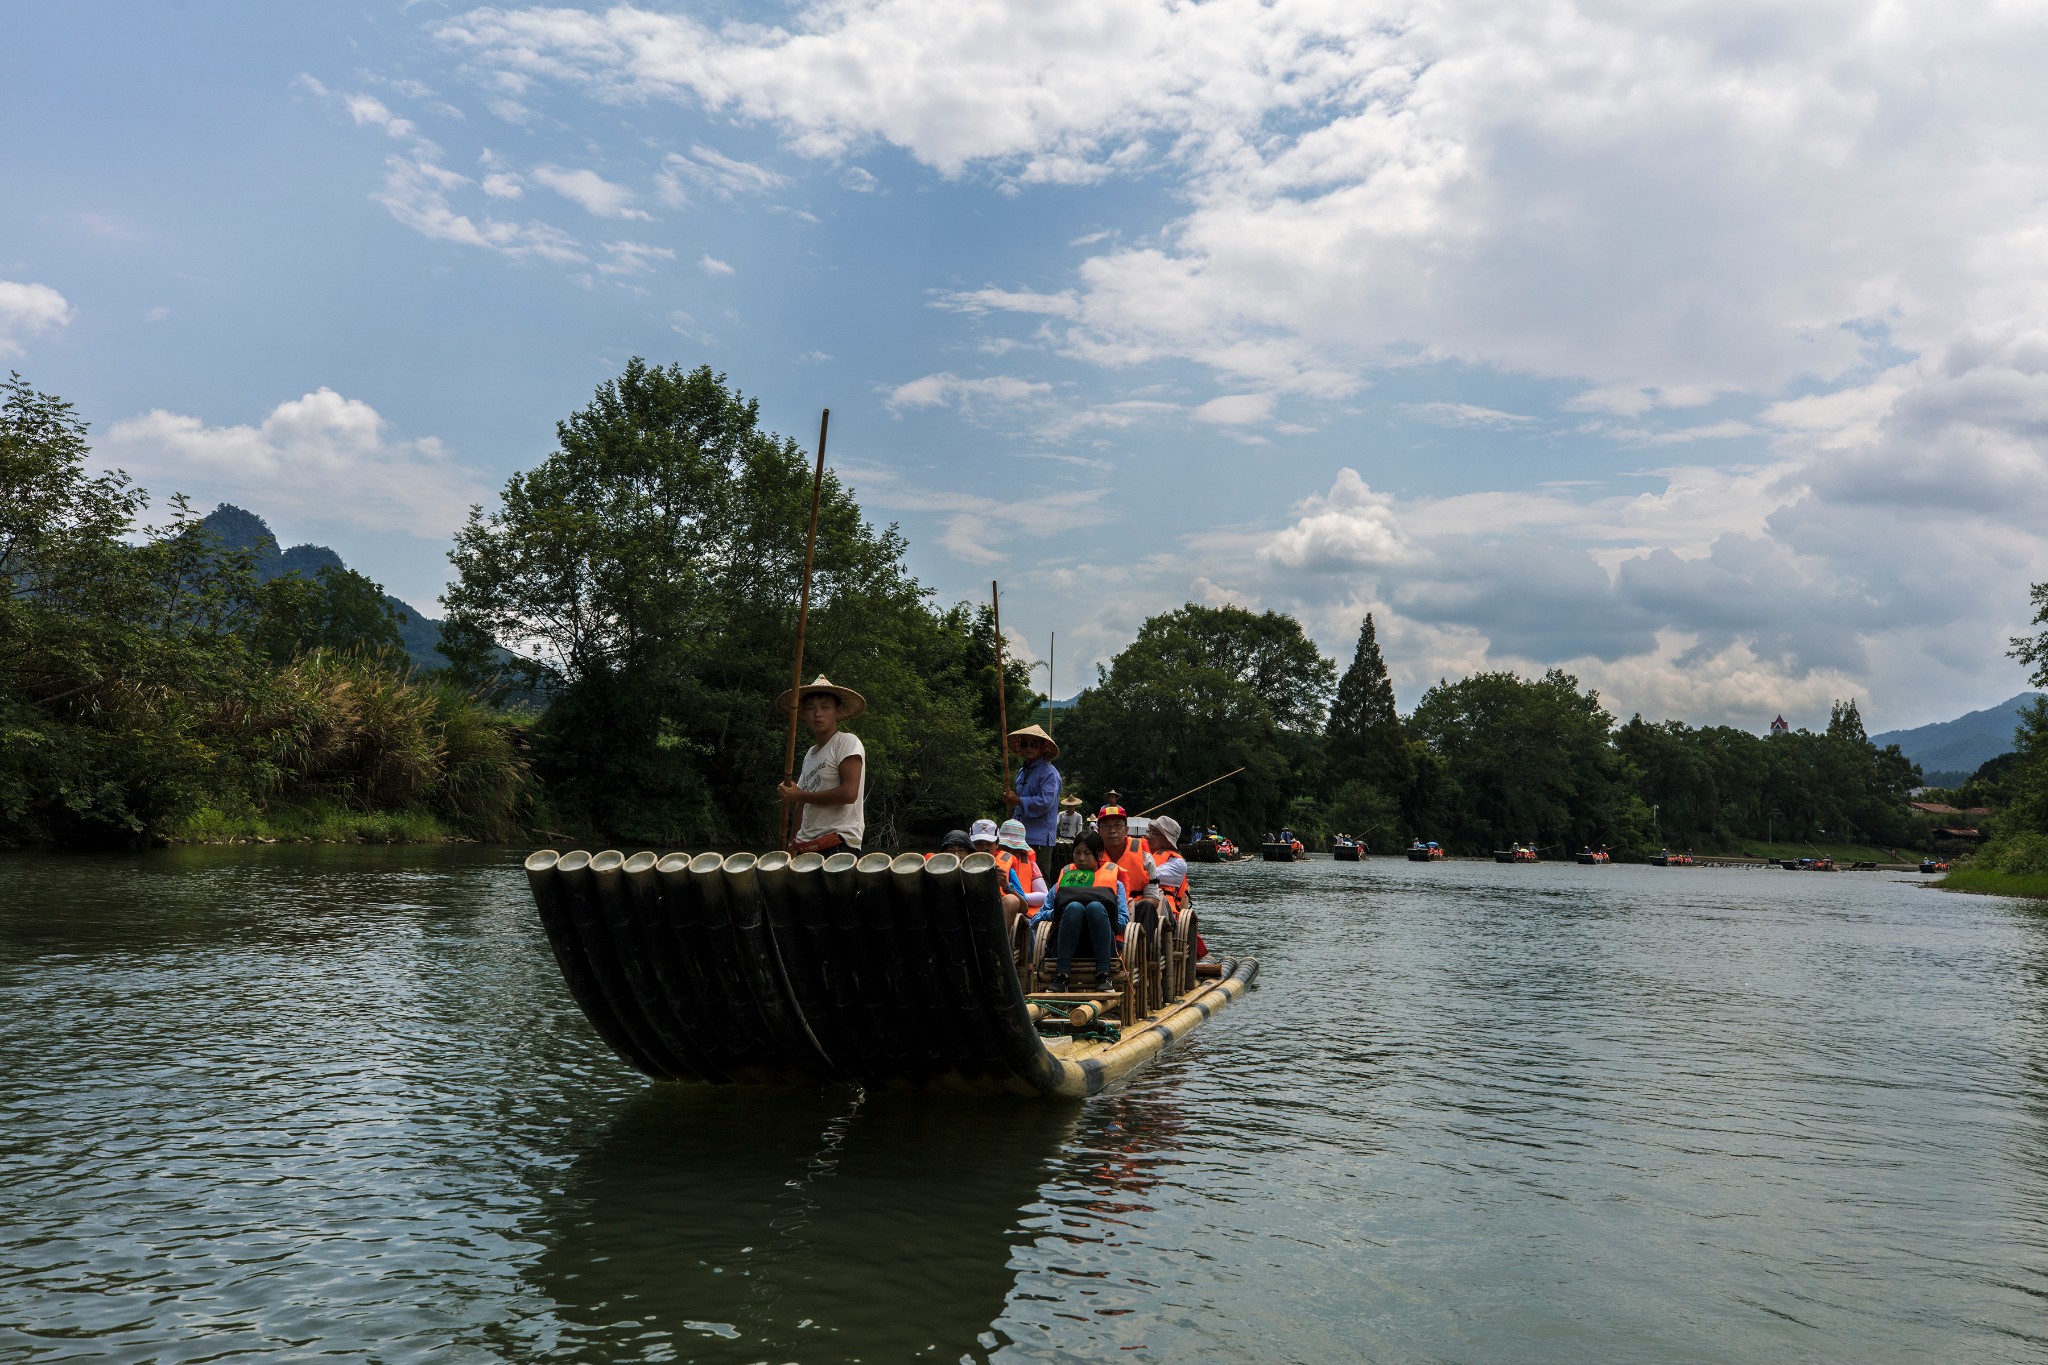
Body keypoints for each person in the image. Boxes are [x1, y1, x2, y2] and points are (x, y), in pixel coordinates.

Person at [776, 675, 865, 854]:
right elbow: (801, 805)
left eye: (825, 707)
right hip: (806, 845)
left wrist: (800, 795)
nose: (818, 713)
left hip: (837, 844)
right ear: (804, 714)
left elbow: (849, 793)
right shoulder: (810, 753)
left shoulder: (847, 742)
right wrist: (792, 844)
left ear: (837, 711)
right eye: (811, 708)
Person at [1031, 830, 1126, 992]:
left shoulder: (1116, 885)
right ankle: (1062, 976)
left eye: (1087, 853)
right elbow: (1035, 920)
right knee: (1074, 907)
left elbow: (1123, 923)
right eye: (1077, 852)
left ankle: (1104, 974)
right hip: (1065, 946)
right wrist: (1056, 914)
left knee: (1095, 907)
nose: (1081, 858)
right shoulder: (1060, 885)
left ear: (1100, 854)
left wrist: (1103, 914)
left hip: (1103, 946)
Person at [1005, 725, 1063, 872]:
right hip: (1019, 836)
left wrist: (1018, 800)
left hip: (1039, 838)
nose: (1029, 748)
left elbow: (1045, 803)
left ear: (1042, 747)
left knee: (1039, 877)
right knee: (1019, 874)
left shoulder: (1049, 773)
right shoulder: (1021, 772)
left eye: (1034, 744)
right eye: (1025, 744)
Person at [1095, 804, 1159, 932]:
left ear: (1126, 829)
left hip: (1136, 909)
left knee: (1147, 907)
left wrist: (1126, 906)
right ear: (1098, 831)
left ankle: (1142, 951)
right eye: (1106, 826)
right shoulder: (1091, 856)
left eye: (1118, 825)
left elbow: (1153, 898)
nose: (1112, 831)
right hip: (1099, 910)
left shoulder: (1145, 857)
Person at [996, 818, 1048, 928]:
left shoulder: (1031, 865)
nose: (1010, 853)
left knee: (1029, 926)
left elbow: (1044, 896)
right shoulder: (991, 860)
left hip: (1023, 913)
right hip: (997, 909)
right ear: (998, 846)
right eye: (1005, 848)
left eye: (1015, 850)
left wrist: (1018, 896)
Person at [1146, 815, 1189, 919]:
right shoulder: (1141, 852)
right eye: (1149, 831)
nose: (1148, 836)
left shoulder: (1178, 863)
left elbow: (1148, 876)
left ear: (1167, 841)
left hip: (1164, 917)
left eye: (1155, 833)